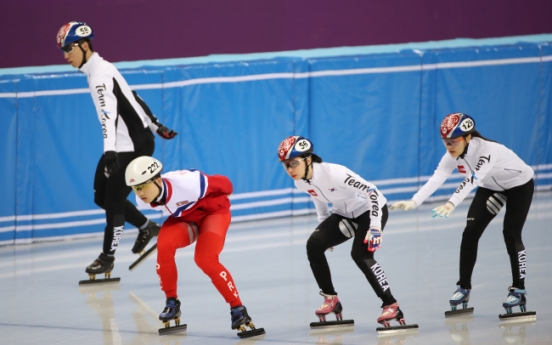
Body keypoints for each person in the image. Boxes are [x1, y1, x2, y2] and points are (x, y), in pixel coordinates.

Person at [56, 21, 178, 278]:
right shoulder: (100, 69)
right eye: (63, 50)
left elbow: (107, 115)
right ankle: (147, 227)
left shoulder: (99, 74)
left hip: (131, 147)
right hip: (122, 144)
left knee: (112, 201)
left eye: (69, 49)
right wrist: (156, 125)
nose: (66, 55)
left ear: (85, 45)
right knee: (101, 196)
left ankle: (107, 258)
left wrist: (111, 150)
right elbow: (132, 95)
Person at [390, 112, 535, 315]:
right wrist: (415, 201)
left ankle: (518, 288)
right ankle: (463, 287)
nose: (449, 146)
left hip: (519, 185)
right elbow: (438, 176)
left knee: (511, 233)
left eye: (453, 141)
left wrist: (451, 204)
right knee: (470, 231)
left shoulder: (487, 150)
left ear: (467, 137)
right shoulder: (452, 155)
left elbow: (472, 179)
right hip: (491, 186)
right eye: (445, 142)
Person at [277, 135, 413, 327]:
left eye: (293, 163)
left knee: (360, 254)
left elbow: (372, 192)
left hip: (370, 210)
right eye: (285, 165)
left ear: (308, 159)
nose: (290, 169)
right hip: (344, 214)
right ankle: (331, 299)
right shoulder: (300, 181)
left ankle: (391, 304)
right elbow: (316, 195)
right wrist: (324, 227)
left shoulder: (335, 173)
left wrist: (375, 226)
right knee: (314, 245)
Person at [125, 156, 263, 335]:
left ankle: (238, 309)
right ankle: (171, 303)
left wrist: (220, 199)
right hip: (187, 219)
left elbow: (226, 184)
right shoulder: (142, 200)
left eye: (143, 186)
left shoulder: (188, 183)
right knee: (164, 245)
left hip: (214, 213)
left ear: (158, 180)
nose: (140, 192)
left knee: (204, 259)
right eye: (135, 188)